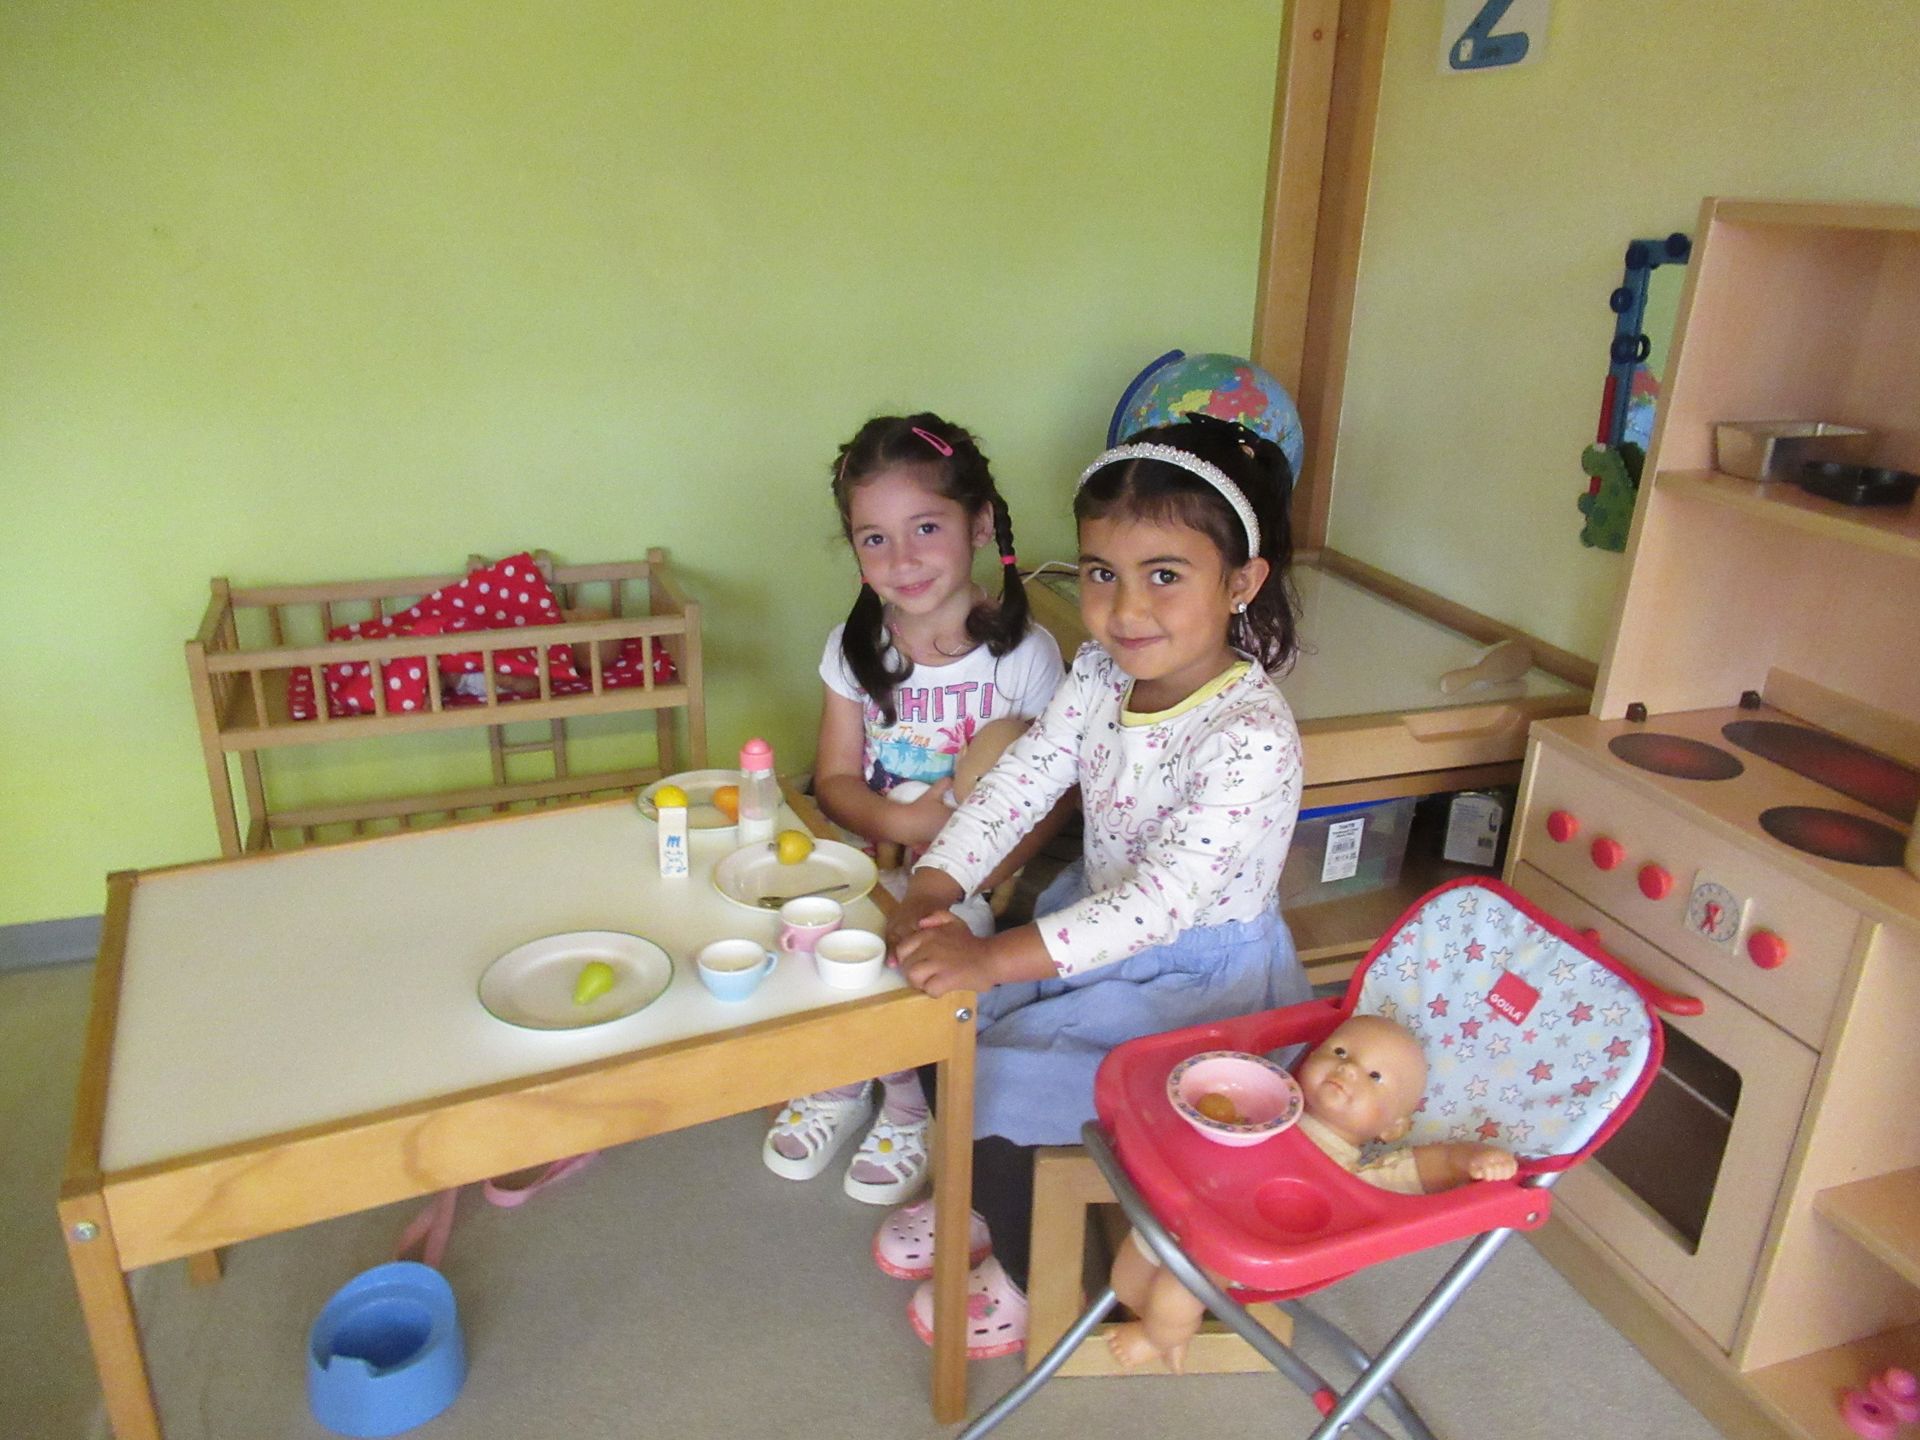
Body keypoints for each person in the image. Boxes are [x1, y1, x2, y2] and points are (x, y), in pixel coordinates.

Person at [877, 415, 1312, 1359]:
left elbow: (1158, 905)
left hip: (1196, 986)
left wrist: (990, 956)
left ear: (1242, 582)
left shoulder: (1250, 736)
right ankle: (987, 1197)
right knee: (941, 1023)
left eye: (1166, 575)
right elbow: (1023, 780)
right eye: (1102, 573)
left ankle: (1031, 1274)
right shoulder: (1098, 673)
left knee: (993, 1071)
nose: (1126, 608)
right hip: (1088, 929)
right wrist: (935, 881)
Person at [762, 412, 1066, 1206]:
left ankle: (909, 1103)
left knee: (919, 958)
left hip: (965, 881)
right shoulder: (854, 647)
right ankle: (840, 1078)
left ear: (981, 525)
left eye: (926, 527)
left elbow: (1050, 799)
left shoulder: (1023, 655)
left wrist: (963, 862)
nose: (902, 559)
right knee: (808, 940)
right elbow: (834, 780)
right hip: (866, 860)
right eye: (875, 538)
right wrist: (901, 826)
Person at [1108, 1013, 1520, 1372]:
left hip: (1245, 1242)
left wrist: (1476, 1158)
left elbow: (1439, 1163)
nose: (1349, 1069)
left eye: (1375, 1077)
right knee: (1126, 1283)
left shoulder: (1365, 1177)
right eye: (1340, 1052)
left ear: (1393, 1128)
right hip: (1190, 1205)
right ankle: (1168, 1326)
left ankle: (1161, 1337)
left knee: (1178, 1288)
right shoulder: (1266, 1105)